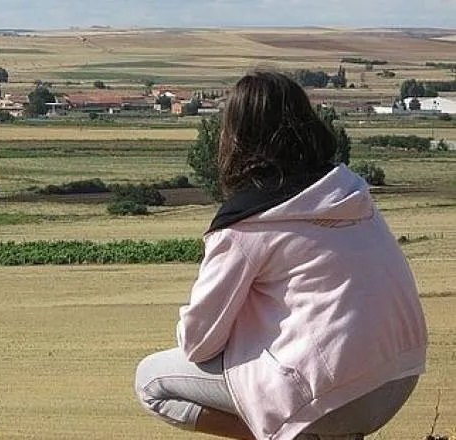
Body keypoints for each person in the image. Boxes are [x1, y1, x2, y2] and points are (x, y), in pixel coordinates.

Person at [134, 71, 428, 440]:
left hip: (329, 399)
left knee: (150, 381)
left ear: (235, 137)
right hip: (399, 376)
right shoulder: (350, 193)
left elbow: (198, 342)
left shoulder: (246, 225)